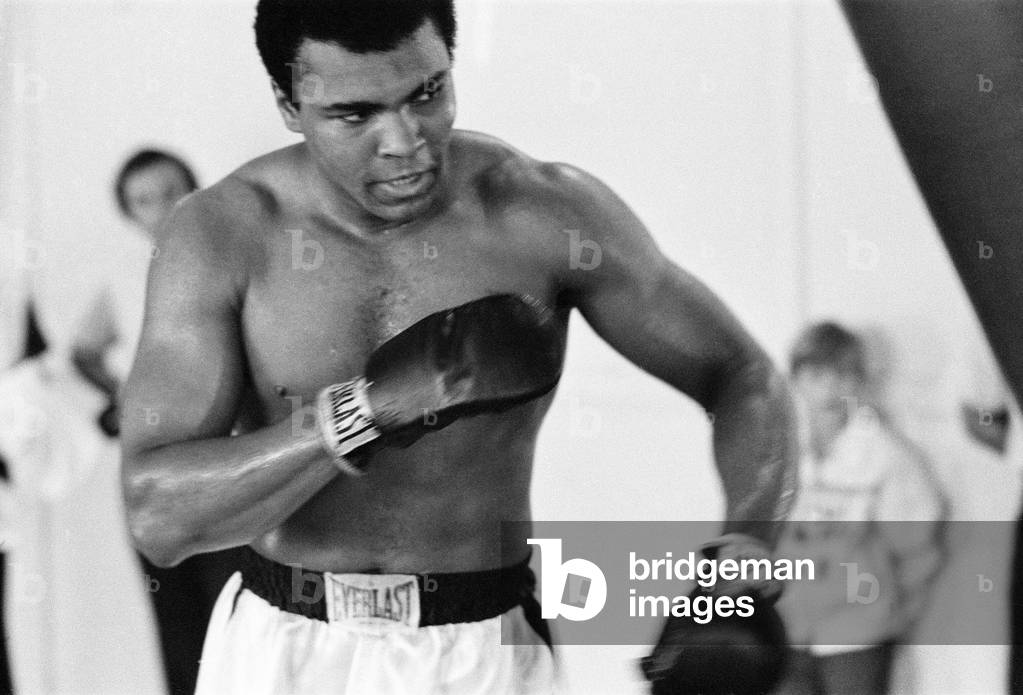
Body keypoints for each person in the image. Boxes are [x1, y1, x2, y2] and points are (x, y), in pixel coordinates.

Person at [119, 2, 799, 693]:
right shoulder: (221, 236)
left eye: (426, 93)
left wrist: (744, 550)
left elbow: (740, 372)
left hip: (479, 648)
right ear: (288, 105)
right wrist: (360, 413)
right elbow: (160, 515)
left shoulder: (540, 213)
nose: (405, 141)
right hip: (283, 647)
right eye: (355, 115)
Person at [71, 149, 244, 695]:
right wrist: (118, 398)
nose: (161, 208)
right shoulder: (125, 277)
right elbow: (83, 350)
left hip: (224, 466)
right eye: (143, 200)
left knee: (238, 611)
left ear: (194, 190)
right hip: (151, 470)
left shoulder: (230, 261)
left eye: (170, 192)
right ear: (127, 212)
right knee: (174, 615)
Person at [774, 322, 947, 695]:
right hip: (784, 628)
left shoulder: (884, 454)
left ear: (860, 383)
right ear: (797, 379)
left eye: (843, 377)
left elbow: (917, 546)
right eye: (817, 374)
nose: (829, 389)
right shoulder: (778, 450)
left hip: (856, 633)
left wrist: (898, 615)